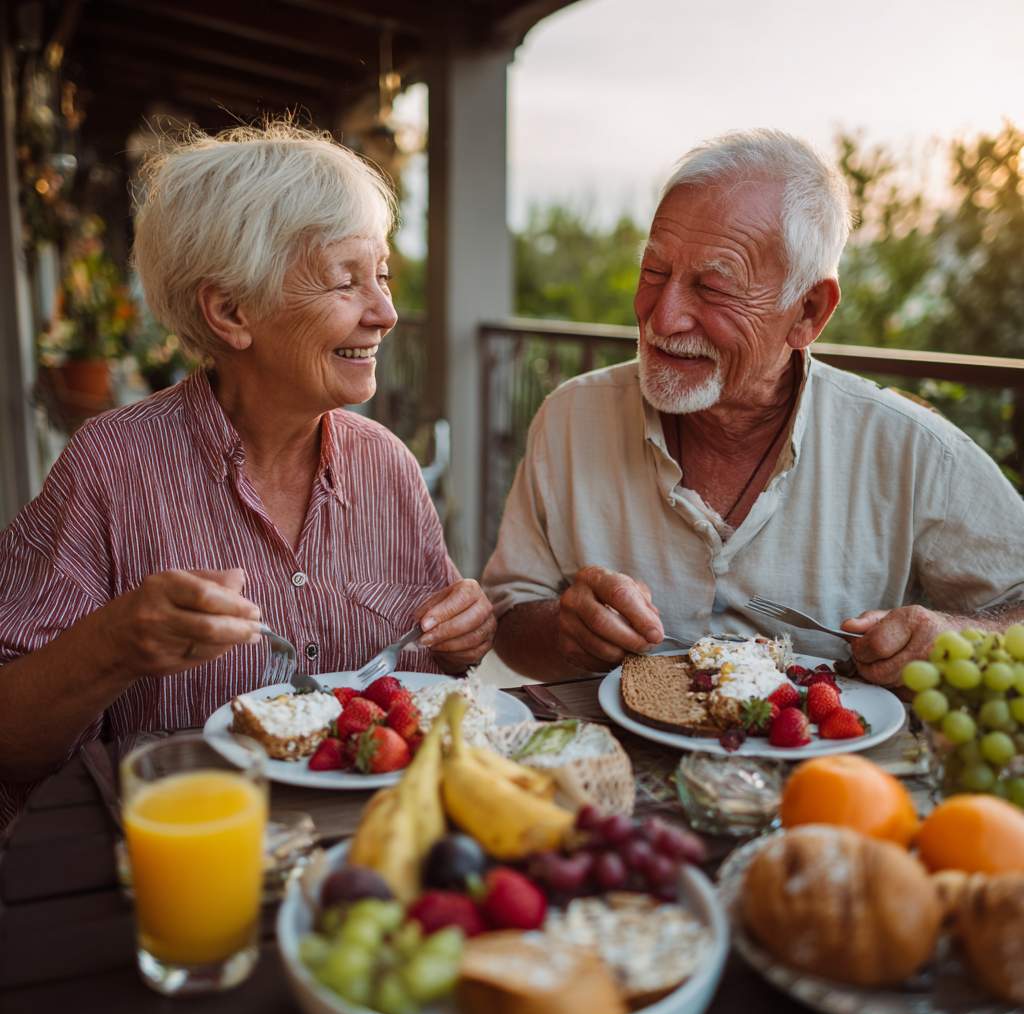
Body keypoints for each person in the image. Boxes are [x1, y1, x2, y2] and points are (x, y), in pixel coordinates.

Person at [0, 121, 495, 831]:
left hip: (371, 852)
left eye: (381, 274)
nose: (385, 312)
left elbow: (426, 688)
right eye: (345, 279)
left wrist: (466, 638)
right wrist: (113, 644)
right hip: (191, 853)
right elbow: (10, 745)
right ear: (232, 311)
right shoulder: (110, 466)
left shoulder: (388, 464)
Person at [483, 128, 1024, 686]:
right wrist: (565, 633)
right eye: (654, 272)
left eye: (713, 288)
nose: (662, 319)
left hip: (831, 775)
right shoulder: (570, 417)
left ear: (808, 311)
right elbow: (508, 615)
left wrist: (961, 637)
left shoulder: (911, 450)